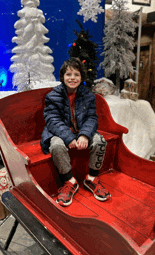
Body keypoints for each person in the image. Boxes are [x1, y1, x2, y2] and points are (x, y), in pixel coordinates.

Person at [41, 57, 111, 206]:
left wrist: (85, 135)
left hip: (80, 132)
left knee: (100, 141)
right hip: (59, 132)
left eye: (76, 74)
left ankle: (92, 178)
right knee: (56, 146)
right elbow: (52, 120)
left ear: (81, 77)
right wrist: (68, 137)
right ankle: (69, 181)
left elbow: (92, 118)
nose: (72, 78)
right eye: (68, 74)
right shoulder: (53, 96)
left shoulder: (87, 96)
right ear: (62, 77)